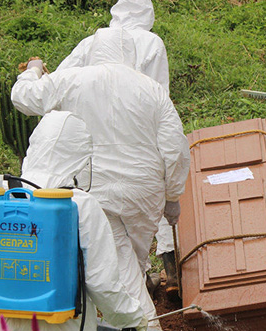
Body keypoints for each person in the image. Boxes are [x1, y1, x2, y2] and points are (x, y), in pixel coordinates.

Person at [10, 28, 190, 331]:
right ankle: (124, 317)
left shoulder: (74, 78)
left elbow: (25, 98)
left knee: (116, 258)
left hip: (97, 185)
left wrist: (33, 70)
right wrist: (172, 195)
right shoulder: (151, 88)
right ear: (130, 53)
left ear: (93, 50)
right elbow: (175, 147)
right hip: (145, 192)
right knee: (126, 257)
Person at [0, 111, 148, 331]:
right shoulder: (78, 205)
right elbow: (102, 283)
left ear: (34, 147)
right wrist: (132, 317)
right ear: (80, 158)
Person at [56, 0, 178, 296]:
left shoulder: (91, 42)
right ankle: (160, 277)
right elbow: (159, 92)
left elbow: (59, 81)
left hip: (93, 147)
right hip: (138, 139)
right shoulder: (151, 42)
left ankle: (124, 285)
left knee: (102, 227)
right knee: (142, 216)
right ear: (147, 13)